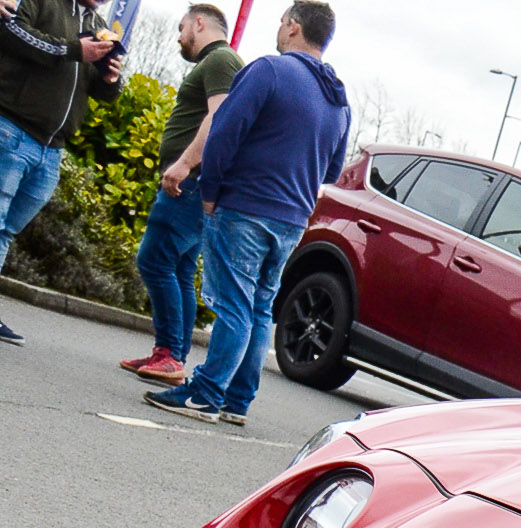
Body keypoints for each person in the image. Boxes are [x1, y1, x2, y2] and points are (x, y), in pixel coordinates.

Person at [143, 0, 345, 427]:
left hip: (245, 205)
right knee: (259, 308)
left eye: (282, 22)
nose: (279, 29)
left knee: (233, 305)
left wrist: (211, 191)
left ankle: (205, 394)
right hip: (293, 217)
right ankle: (237, 401)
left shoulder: (269, 70)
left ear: (293, 27)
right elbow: (331, 170)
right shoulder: (337, 97)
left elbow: (224, 131)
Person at [118, 3, 241, 384]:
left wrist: (185, 164)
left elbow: (219, 117)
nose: (178, 36)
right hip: (199, 183)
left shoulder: (220, 60)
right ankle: (172, 354)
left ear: (199, 23)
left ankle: (170, 353)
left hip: (190, 183)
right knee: (181, 270)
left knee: (155, 261)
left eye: (182, 27)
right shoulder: (221, 62)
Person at [0, 0, 125, 346]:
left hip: (53, 149)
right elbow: (13, 34)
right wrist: (73, 49)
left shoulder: (97, 24)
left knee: (7, 231)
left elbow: (99, 90)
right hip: (12, 128)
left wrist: (110, 79)